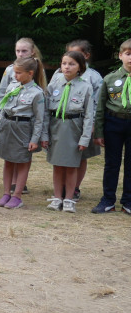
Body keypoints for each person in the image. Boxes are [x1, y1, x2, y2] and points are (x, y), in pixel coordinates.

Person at [50, 39, 103, 201]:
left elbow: (97, 102)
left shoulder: (93, 77)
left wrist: (93, 123)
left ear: (85, 56)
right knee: (61, 158)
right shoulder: (59, 75)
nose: (68, 64)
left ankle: (75, 188)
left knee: (81, 156)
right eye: (65, 59)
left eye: (76, 55)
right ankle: (62, 189)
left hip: (83, 123)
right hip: (60, 124)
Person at [44, 51, 96, 213]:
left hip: (74, 128)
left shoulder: (86, 87)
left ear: (80, 67)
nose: (67, 67)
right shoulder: (53, 85)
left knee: (72, 165)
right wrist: (44, 135)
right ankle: (57, 197)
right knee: (57, 165)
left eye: (72, 64)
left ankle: (69, 198)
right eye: (64, 63)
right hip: (56, 127)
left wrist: (85, 138)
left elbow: (89, 115)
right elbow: (45, 113)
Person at [0, 56, 47, 209]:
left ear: (30, 73)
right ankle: (6, 193)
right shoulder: (12, 86)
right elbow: (5, 108)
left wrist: (34, 139)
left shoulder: (37, 93)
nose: (15, 75)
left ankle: (17, 196)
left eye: (18, 73)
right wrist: (0, 129)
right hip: (8, 126)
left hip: (23, 128)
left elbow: (39, 119)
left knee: (22, 161)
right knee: (8, 160)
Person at [91, 39, 131, 214]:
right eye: (128, 53)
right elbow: (100, 107)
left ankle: (128, 201)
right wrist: (99, 131)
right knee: (111, 164)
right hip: (113, 122)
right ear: (120, 55)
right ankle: (108, 200)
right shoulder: (109, 78)